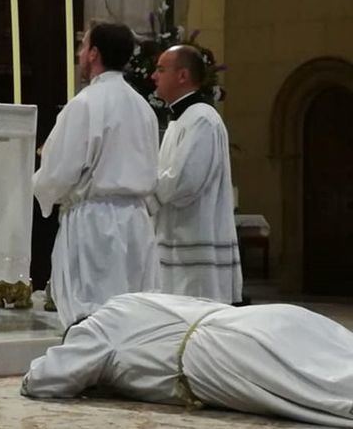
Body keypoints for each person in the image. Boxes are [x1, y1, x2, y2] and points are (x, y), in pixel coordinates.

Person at [22, 292, 353, 427]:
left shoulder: (97, 327)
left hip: (222, 350)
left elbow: (47, 379)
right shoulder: (130, 301)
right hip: (265, 317)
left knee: (328, 390)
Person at [32, 22, 160, 328]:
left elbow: (60, 171)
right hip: (137, 222)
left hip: (96, 224)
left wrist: (37, 185)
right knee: (134, 316)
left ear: (94, 54)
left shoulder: (85, 104)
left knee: (92, 316)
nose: (79, 54)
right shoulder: (143, 107)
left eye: (82, 47)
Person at [148, 45, 242, 303]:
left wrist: (141, 192)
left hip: (194, 253)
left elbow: (185, 182)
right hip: (176, 245)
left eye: (160, 69)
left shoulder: (202, 119)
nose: (153, 76)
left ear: (183, 76)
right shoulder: (182, 120)